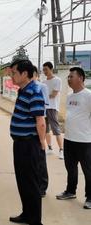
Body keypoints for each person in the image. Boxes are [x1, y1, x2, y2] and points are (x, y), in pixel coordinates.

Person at [9, 60, 46, 225]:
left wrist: (42, 143)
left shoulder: (35, 91)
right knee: (22, 181)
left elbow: (41, 121)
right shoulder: (23, 90)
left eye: (14, 72)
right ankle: (27, 214)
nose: (12, 75)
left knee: (31, 183)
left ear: (25, 74)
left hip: (29, 144)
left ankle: (35, 220)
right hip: (20, 143)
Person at [56, 67, 91, 209]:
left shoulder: (88, 95)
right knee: (71, 168)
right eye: (68, 77)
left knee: (88, 170)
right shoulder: (70, 96)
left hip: (85, 140)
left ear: (81, 78)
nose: (68, 79)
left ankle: (90, 197)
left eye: (71, 76)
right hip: (69, 138)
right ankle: (70, 191)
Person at [33, 66, 49, 197]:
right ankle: (35, 184)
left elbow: (43, 108)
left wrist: (42, 137)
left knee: (40, 158)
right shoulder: (25, 88)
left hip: (39, 123)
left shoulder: (41, 87)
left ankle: (43, 186)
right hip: (31, 127)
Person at [42, 62, 64, 159]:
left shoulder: (57, 80)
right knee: (46, 129)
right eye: (44, 69)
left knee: (56, 129)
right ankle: (50, 148)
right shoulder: (43, 82)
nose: (45, 71)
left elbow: (53, 95)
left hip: (52, 107)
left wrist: (43, 97)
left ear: (51, 69)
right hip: (44, 108)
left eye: (46, 69)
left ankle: (61, 150)